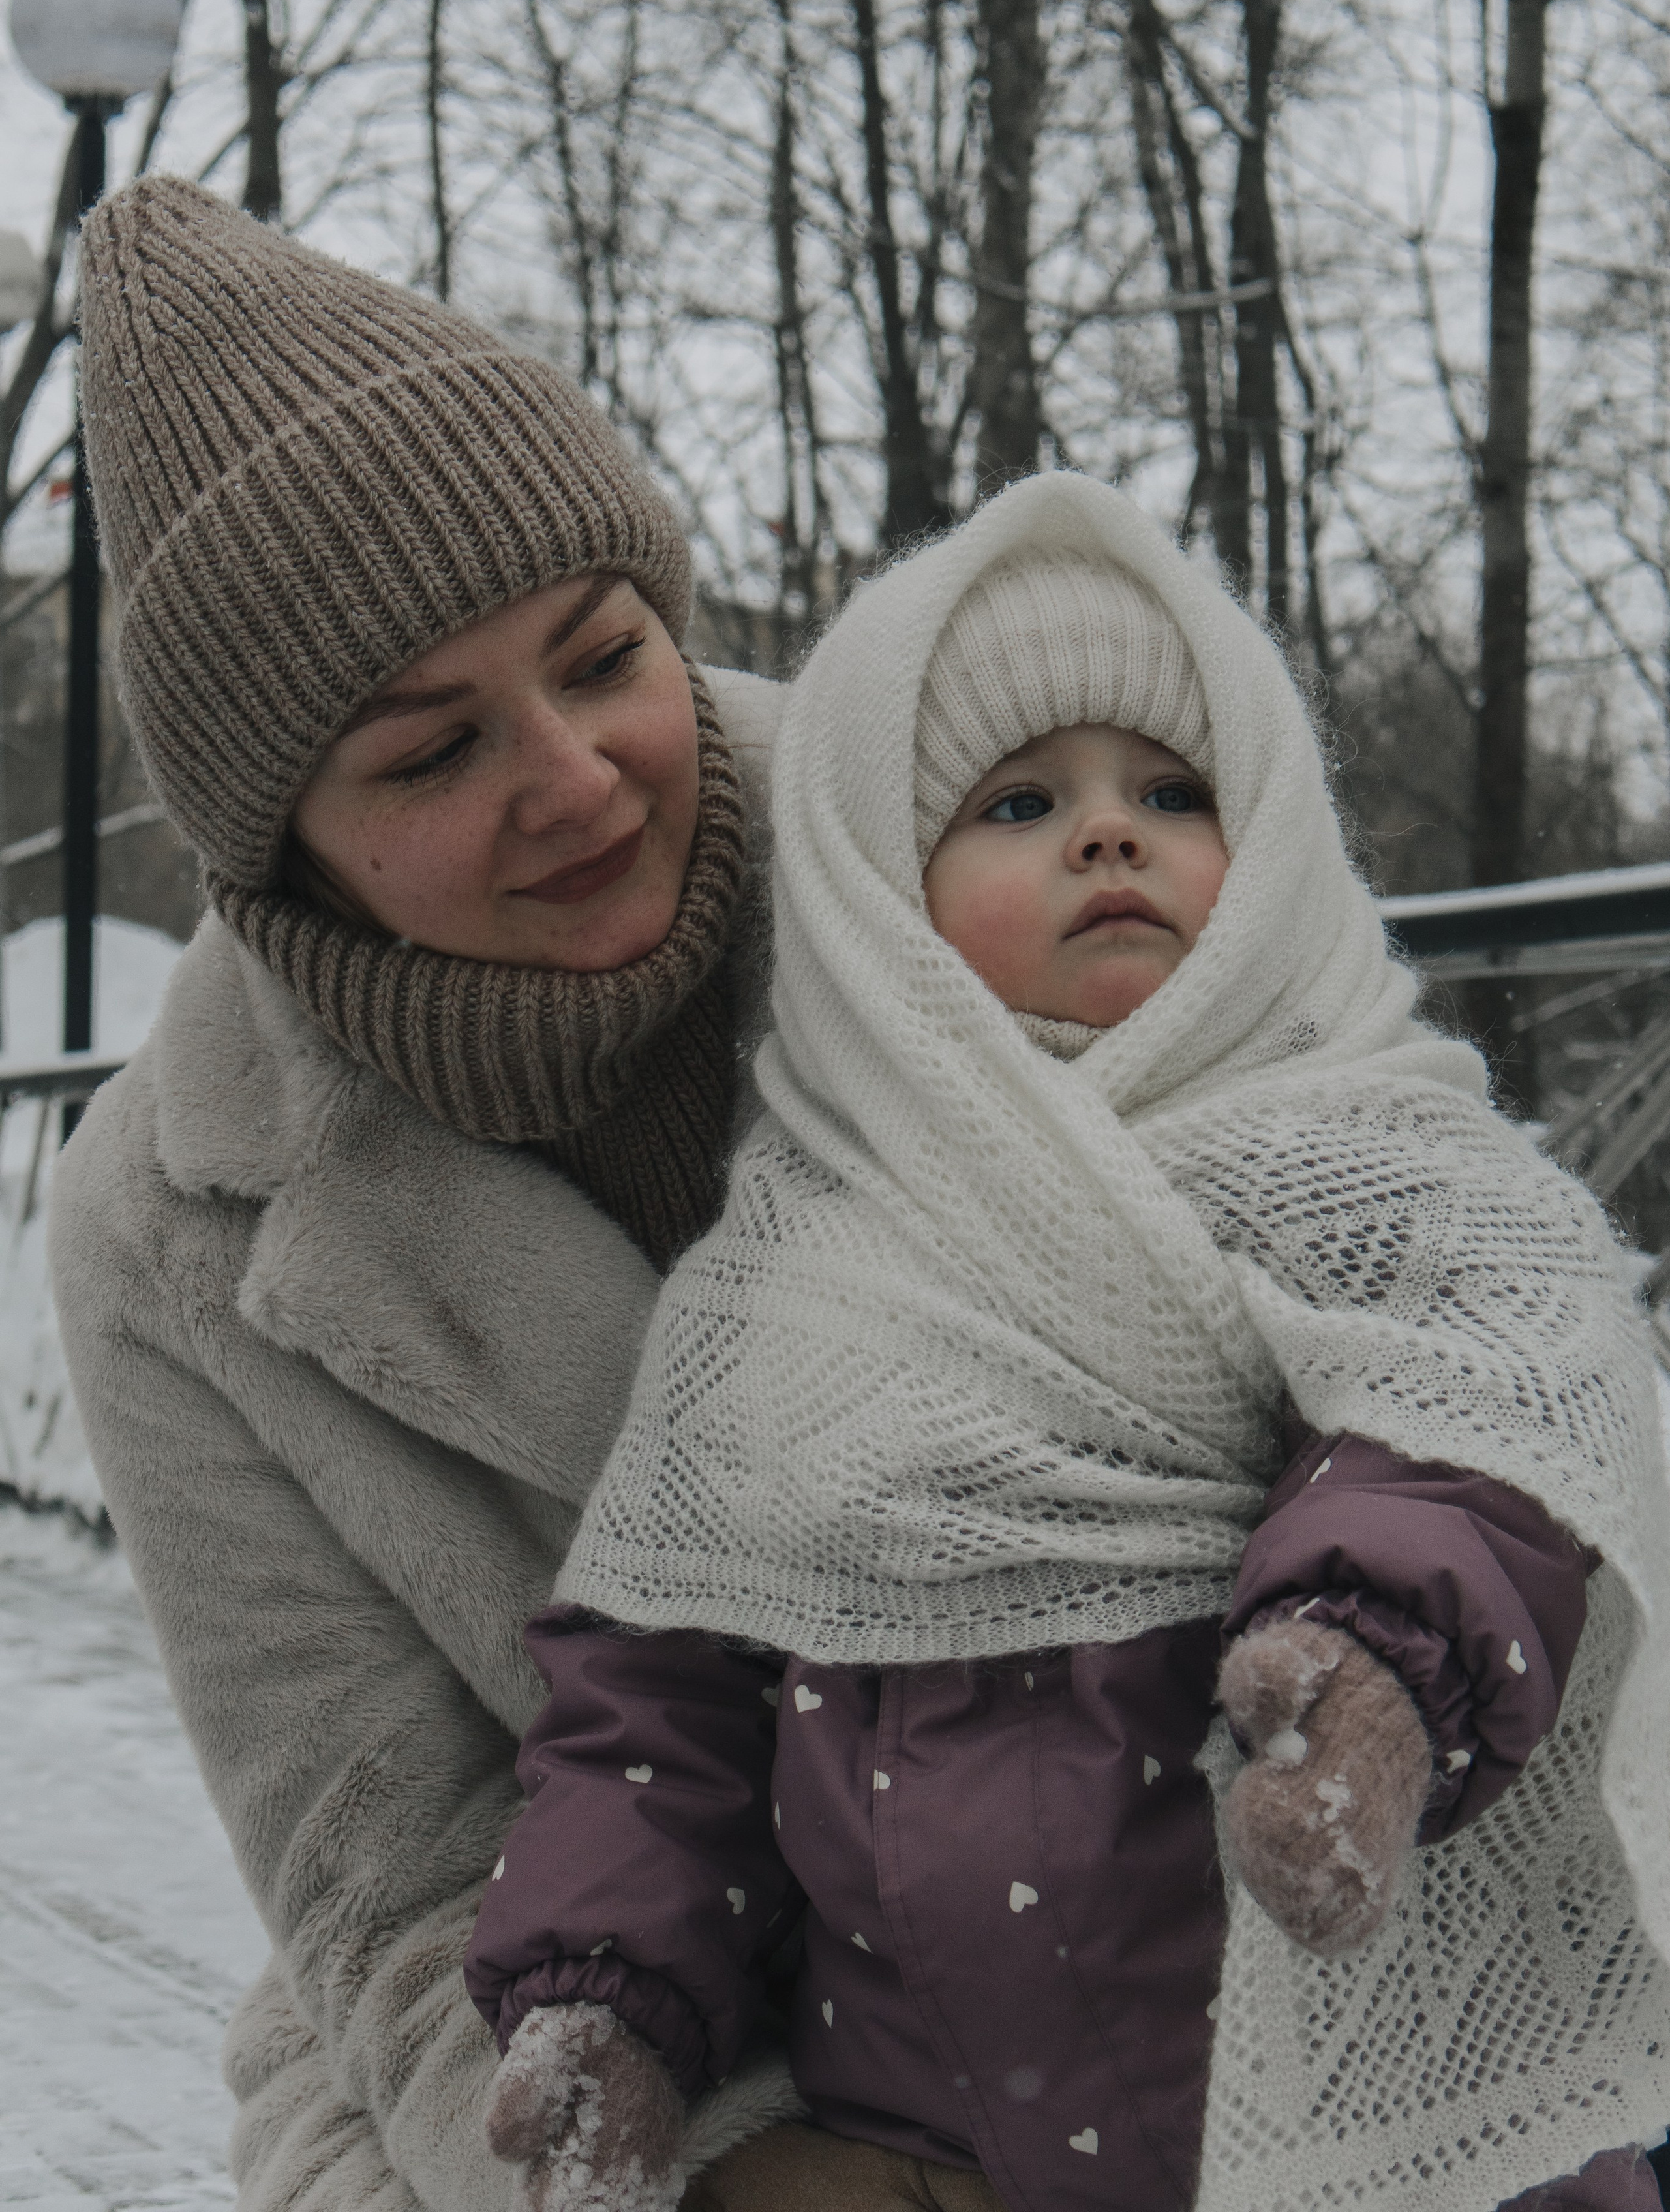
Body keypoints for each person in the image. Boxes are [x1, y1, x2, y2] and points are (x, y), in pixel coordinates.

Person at [464, 474, 1670, 2212]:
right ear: (883, 901)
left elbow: (1477, 1431)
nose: (1111, 835)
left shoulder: (1379, 1165)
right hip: (955, 2141)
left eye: (1172, 792)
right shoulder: (803, 1271)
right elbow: (664, 1697)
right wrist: (609, 1994)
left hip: (1406, 2137)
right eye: (1021, 800)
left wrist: (1367, 1668)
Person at [47, 174, 802, 2212]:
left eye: (602, 652)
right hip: (603, 2037)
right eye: (428, 750)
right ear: (273, 846)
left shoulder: (964, 857)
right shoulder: (159, 1229)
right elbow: (383, 1879)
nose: (574, 778)